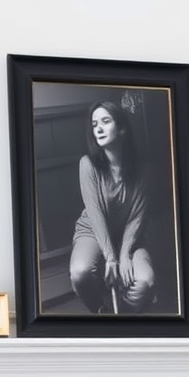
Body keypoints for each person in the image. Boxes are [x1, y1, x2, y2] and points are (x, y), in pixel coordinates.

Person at [69, 99, 156, 314]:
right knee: (80, 272)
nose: (98, 128)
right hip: (92, 230)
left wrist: (125, 253)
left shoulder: (144, 171)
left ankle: (124, 317)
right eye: (94, 123)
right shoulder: (87, 164)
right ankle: (101, 310)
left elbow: (137, 217)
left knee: (146, 281)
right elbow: (95, 212)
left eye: (105, 121)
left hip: (129, 236)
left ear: (123, 128)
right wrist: (110, 257)